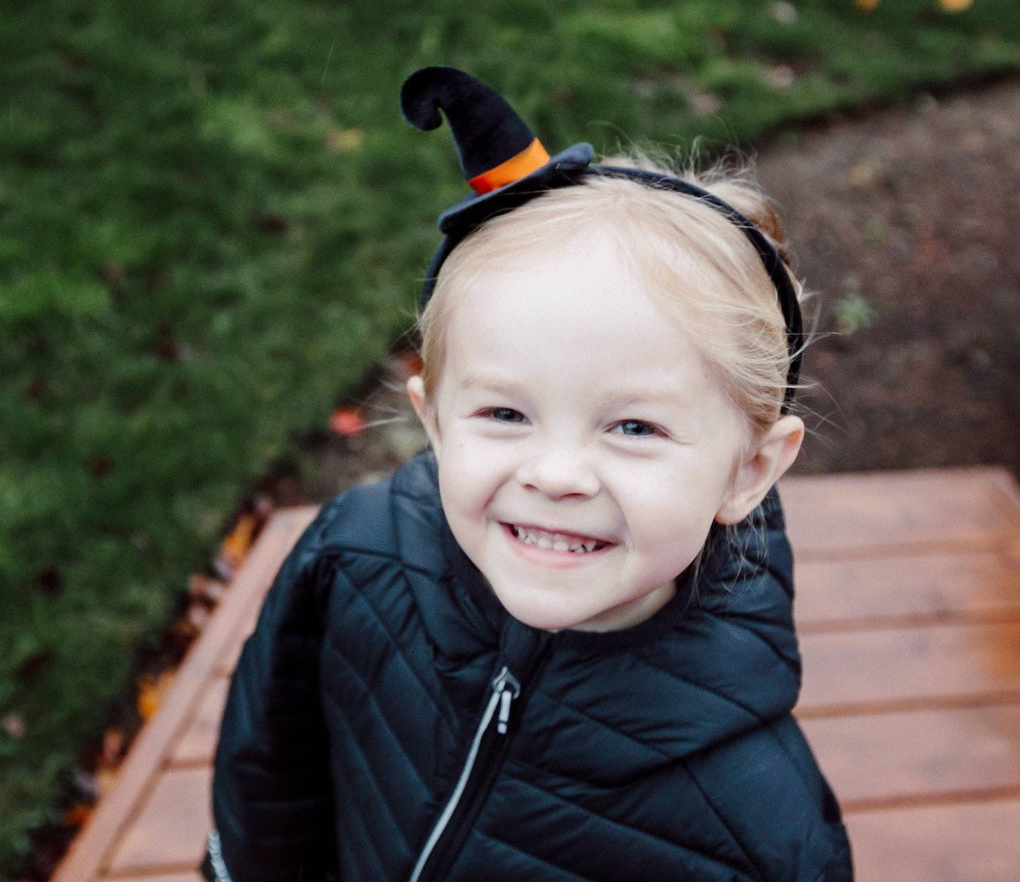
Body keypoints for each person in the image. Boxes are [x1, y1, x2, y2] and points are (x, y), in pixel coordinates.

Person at [206, 67, 853, 881]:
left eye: (632, 426)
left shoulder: (756, 827)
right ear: (434, 421)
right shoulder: (353, 553)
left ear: (747, 472)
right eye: (505, 414)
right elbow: (268, 769)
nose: (555, 474)